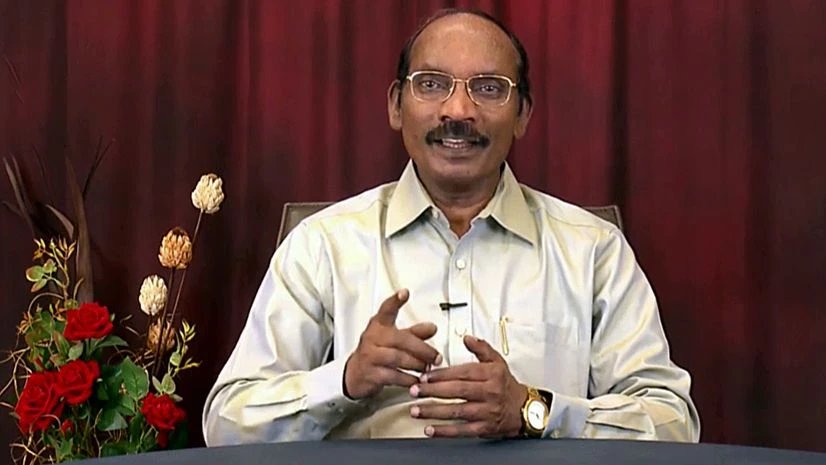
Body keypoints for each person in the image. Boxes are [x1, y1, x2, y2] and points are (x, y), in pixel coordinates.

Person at [202, 8, 700, 444]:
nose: (458, 111)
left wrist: (535, 410)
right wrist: (346, 381)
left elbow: (674, 424)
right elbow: (225, 423)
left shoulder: (592, 250)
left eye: (488, 89)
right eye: (432, 84)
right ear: (396, 105)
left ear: (523, 113)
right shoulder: (322, 245)